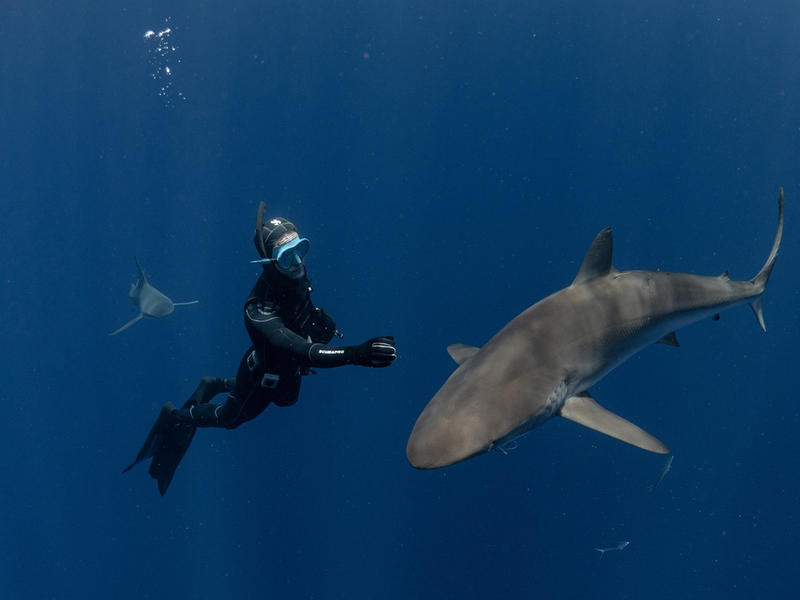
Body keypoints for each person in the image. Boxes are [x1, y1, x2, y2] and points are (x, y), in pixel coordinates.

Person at [124, 202, 396, 495]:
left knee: (286, 401)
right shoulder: (258, 311)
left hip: (287, 369)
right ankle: (174, 415)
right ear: (268, 262)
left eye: (300, 249)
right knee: (230, 419)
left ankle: (217, 383)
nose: (297, 263)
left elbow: (306, 313)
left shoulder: (296, 277)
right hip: (263, 373)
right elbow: (300, 350)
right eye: (285, 256)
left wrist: (321, 322)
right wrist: (356, 354)